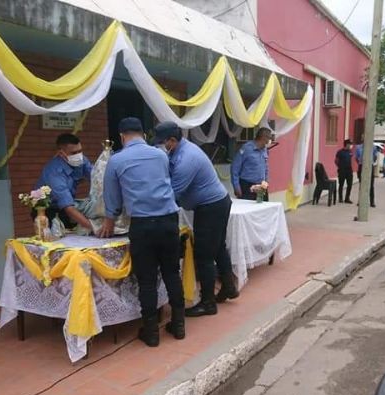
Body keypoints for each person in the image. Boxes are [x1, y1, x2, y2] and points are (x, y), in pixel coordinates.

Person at [98, 118, 185, 347]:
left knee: (146, 280)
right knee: (172, 273)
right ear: (143, 135)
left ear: (121, 136)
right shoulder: (161, 155)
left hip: (143, 225)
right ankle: (178, 325)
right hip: (169, 220)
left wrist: (109, 221)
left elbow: (112, 198)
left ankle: (151, 333)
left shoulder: (116, 160)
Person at [152, 122, 239, 318]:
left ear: (172, 141)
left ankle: (208, 303)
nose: (159, 147)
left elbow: (172, 195)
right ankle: (229, 288)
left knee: (204, 255)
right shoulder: (178, 151)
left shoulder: (186, 159)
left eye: (161, 143)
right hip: (215, 203)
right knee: (217, 248)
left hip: (211, 207)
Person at [34, 133, 94, 230]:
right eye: (74, 153)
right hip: (47, 212)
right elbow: (68, 207)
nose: (78, 156)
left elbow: (96, 177)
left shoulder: (82, 160)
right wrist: (94, 228)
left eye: (80, 151)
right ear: (61, 153)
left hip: (68, 207)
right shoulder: (54, 172)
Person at [231, 127, 272, 200]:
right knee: (247, 209)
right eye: (269, 138)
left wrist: (266, 182)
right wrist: (236, 186)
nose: (269, 141)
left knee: (263, 209)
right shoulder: (246, 148)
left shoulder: (264, 149)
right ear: (263, 137)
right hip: (247, 186)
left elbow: (266, 167)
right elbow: (235, 168)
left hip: (261, 186)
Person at [354, 140, 377, 207]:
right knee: (361, 184)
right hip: (361, 165)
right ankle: (360, 201)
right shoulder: (358, 147)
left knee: (371, 185)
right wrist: (360, 163)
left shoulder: (373, 147)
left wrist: (371, 161)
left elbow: (375, 156)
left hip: (370, 165)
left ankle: (372, 202)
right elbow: (356, 157)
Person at [335, 139, 354, 203]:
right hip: (342, 170)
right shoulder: (340, 152)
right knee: (341, 184)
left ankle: (347, 198)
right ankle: (340, 198)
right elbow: (336, 161)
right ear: (347, 144)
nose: (351, 145)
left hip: (349, 170)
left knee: (350, 184)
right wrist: (340, 167)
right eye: (350, 144)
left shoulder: (350, 152)